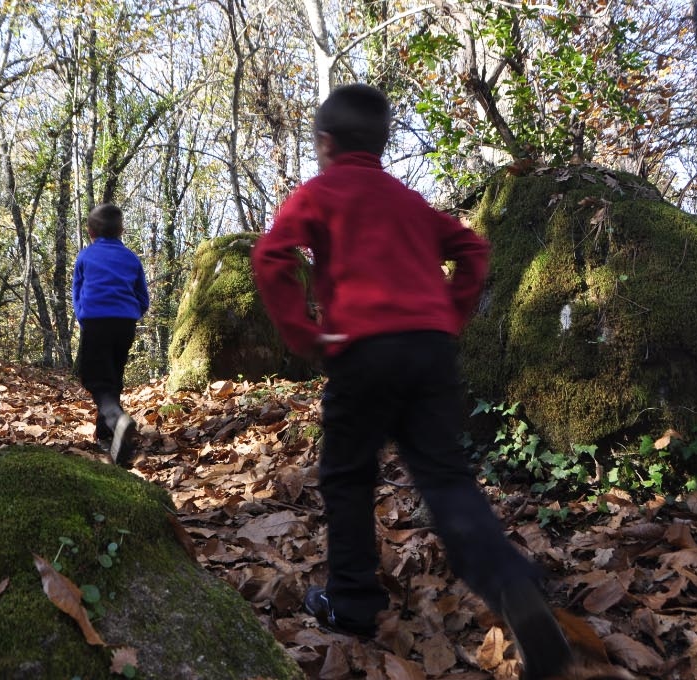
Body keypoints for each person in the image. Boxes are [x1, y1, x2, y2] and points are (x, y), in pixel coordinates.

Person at [251, 84, 572, 680]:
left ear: (325, 143)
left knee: (347, 476)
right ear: (380, 142)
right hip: (428, 352)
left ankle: (350, 602)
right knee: (446, 478)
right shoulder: (408, 200)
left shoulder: (319, 193)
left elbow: (272, 256)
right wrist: (449, 314)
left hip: (359, 351)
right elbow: (471, 247)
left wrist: (304, 334)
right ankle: (510, 582)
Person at [72, 202, 149, 464]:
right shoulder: (131, 258)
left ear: (90, 232)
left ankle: (116, 420)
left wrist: (83, 314)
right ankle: (109, 437)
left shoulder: (85, 256)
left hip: (96, 321)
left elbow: (78, 291)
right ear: (121, 231)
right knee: (112, 375)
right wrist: (132, 312)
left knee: (94, 377)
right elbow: (143, 296)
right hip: (124, 323)